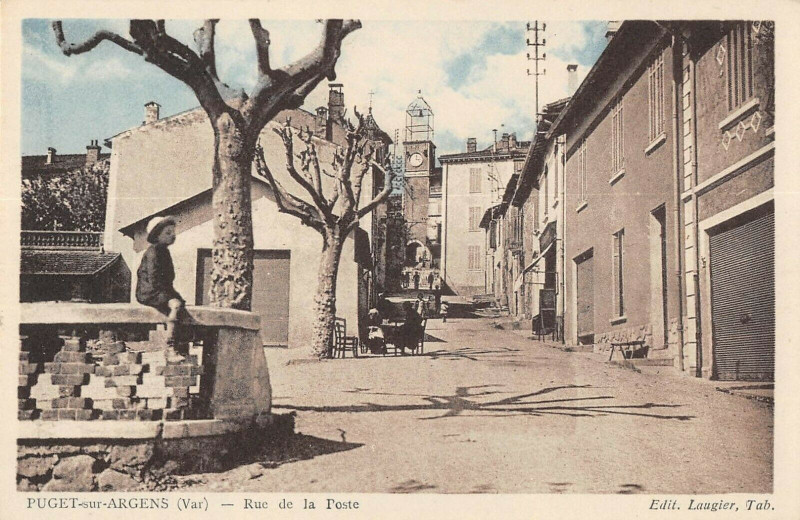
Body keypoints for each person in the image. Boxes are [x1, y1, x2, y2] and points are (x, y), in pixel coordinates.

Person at [136, 216, 185, 351]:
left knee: (180, 302)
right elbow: (154, 278)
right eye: (168, 233)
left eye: (173, 232)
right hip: (149, 291)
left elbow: (168, 278)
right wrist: (169, 298)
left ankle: (177, 340)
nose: (173, 235)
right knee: (176, 305)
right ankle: (170, 343)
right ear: (157, 236)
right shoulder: (153, 253)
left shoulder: (164, 252)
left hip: (160, 289)